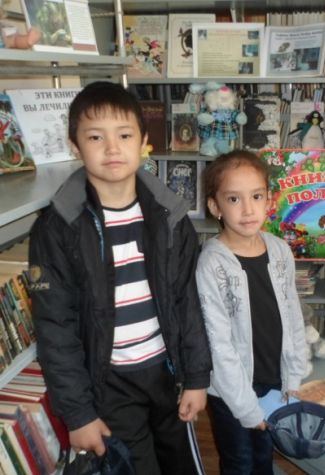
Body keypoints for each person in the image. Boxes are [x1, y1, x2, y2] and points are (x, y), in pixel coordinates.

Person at [28, 81, 212, 474]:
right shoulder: (58, 229)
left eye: (124, 135)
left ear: (143, 141)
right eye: (96, 137)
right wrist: (78, 414)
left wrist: (197, 377)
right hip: (110, 383)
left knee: (181, 465)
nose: (112, 148)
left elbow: (188, 303)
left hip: (168, 373)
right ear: (75, 146)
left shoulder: (171, 217)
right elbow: (55, 327)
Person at [195, 150, 306, 474]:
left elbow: (293, 315)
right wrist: (246, 408)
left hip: (273, 379)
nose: (247, 209)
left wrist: (293, 376)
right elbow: (218, 345)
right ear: (215, 206)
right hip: (231, 390)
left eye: (256, 196)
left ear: (268, 199)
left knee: (263, 455)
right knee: (240, 462)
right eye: (233, 199)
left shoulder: (280, 250)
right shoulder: (211, 264)